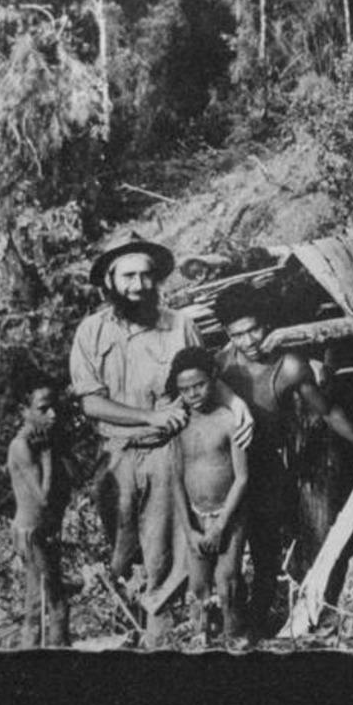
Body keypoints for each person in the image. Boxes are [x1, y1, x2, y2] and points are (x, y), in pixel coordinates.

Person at [69, 232, 252, 647]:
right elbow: (92, 404)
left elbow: (203, 376)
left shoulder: (179, 325)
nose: (139, 285)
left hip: (166, 453)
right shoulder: (91, 332)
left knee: (166, 549)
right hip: (114, 456)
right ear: (110, 281)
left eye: (147, 275)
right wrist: (148, 415)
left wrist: (236, 403)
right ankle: (134, 621)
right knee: (121, 550)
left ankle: (166, 634)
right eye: (129, 276)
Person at [213, 283, 353, 634]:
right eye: (238, 334)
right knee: (238, 550)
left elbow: (328, 411)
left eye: (254, 329)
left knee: (282, 540)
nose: (250, 341)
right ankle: (238, 623)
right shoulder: (222, 368)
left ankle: (296, 610)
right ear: (227, 335)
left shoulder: (289, 366)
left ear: (267, 324)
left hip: (270, 464)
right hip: (229, 467)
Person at [166, 347, 249, 646]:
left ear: (213, 378)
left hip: (229, 516)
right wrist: (189, 530)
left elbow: (242, 478)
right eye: (185, 389)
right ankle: (200, 636)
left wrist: (220, 526)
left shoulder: (229, 419)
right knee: (198, 583)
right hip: (196, 517)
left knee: (227, 580)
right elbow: (175, 479)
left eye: (199, 385)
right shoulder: (179, 425)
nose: (193, 394)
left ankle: (233, 635)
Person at [6, 373, 70, 648]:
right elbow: (43, 497)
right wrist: (47, 456)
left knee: (44, 604)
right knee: (51, 605)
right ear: (25, 411)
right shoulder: (22, 447)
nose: (53, 414)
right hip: (31, 535)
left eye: (54, 407)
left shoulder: (42, 441)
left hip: (42, 533)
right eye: (43, 409)